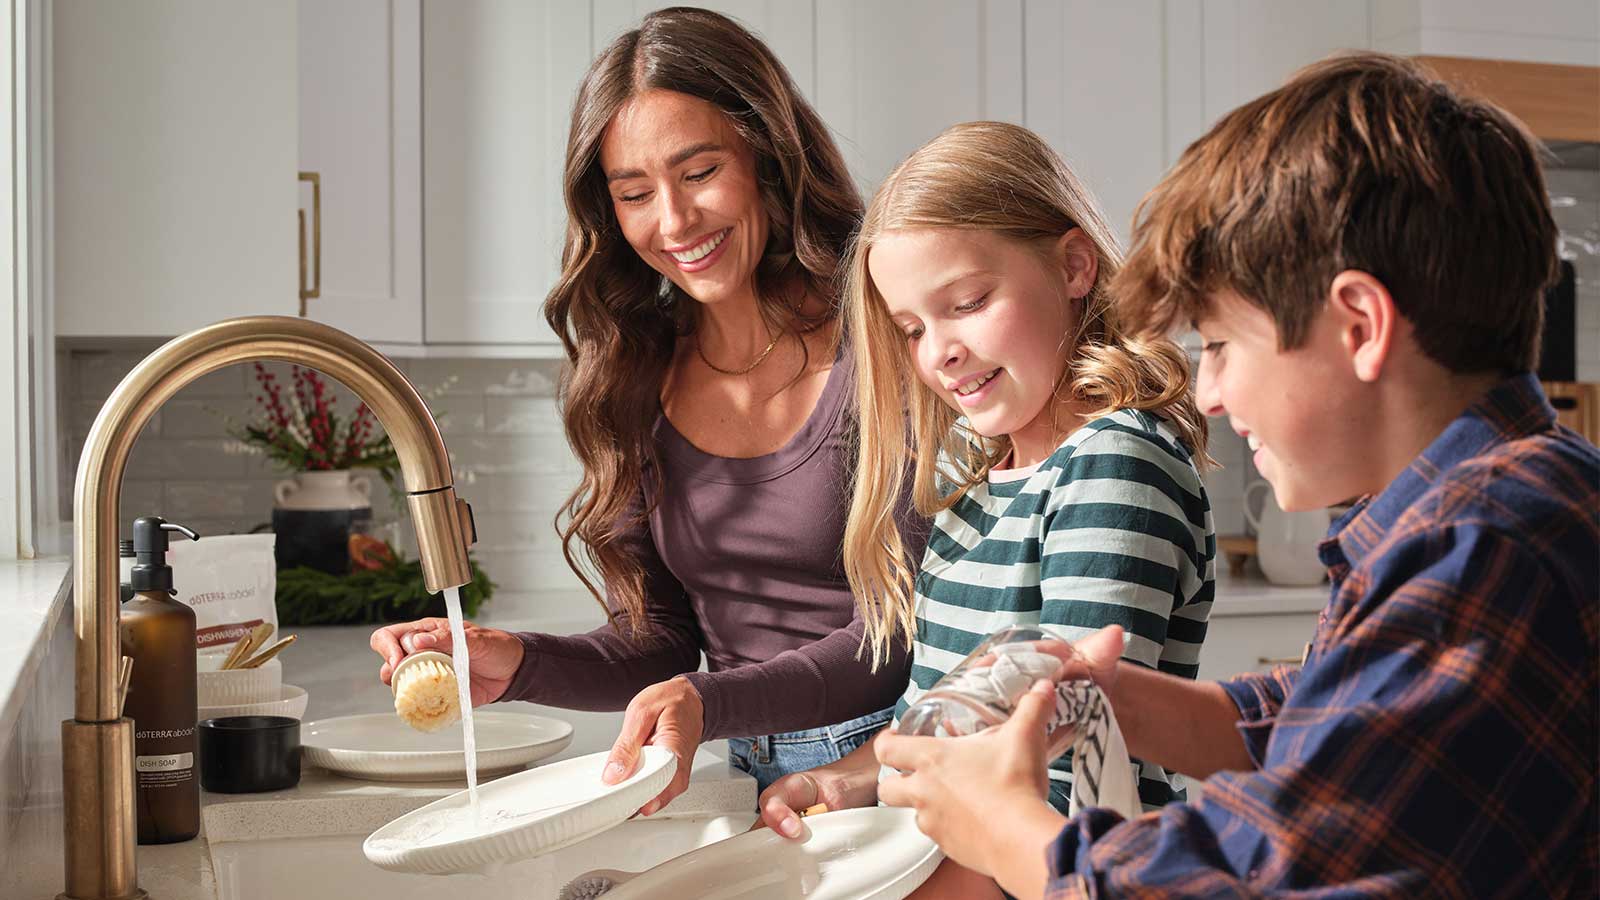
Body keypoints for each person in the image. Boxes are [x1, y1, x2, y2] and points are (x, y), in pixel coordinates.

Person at [872, 52, 1599, 899]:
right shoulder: (1492, 508)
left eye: (1218, 344)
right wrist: (1119, 698)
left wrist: (1013, 836)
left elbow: (1262, 882)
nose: (1208, 394)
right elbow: (1336, 727)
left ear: (1359, 325)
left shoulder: (1484, 547)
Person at [371, 7, 926, 814]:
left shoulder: (883, 343)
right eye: (635, 193)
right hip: (755, 775)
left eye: (699, 173)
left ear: (767, 156)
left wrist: (712, 703)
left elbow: (908, 633)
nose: (673, 222)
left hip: (899, 763)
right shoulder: (638, 373)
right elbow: (660, 640)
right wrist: (513, 660)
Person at [756, 121, 1217, 898]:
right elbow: (940, 727)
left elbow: (1069, 775)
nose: (939, 351)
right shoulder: (969, 468)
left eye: (967, 302)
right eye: (911, 328)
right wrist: (844, 782)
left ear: (1074, 265)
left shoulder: (1110, 463)